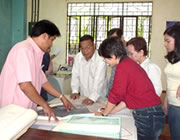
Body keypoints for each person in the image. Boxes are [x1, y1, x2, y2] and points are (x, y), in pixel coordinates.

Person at [0, 20, 75, 121]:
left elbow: (43, 81)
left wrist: (62, 97)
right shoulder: (23, 50)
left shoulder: (36, 53)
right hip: (13, 111)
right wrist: (44, 105)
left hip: (25, 111)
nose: (51, 45)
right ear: (44, 36)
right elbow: (25, 85)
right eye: (52, 40)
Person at [96, 37, 165, 140]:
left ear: (112, 56)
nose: (106, 61)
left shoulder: (123, 67)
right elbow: (126, 98)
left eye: (105, 58)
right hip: (150, 114)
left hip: (148, 115)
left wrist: (104, 114)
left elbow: (115, 94)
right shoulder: (128, 63)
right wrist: (111, 111)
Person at [70, 35, 108, 105]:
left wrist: (92, 98)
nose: (85, 51)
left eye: (88, 47)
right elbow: (75, 75)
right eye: (82, 48)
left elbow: (98, 81)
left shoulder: (101, 59)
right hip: (83, 96)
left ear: (94, 45)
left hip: (99, 97)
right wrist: (75, 91)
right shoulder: (78, 57)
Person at [163, 25, 180, 140]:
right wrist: (166, 100)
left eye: (168, 41)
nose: (165, 44)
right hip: (173, 105)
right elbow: (170, 82)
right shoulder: (172, 58)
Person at [107, 28, 127, 97]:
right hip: (113, 94)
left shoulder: (129, 54)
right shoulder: (114, 52)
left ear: (122, 38)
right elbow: (113, 77)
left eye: (115, 39)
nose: (113, 42)